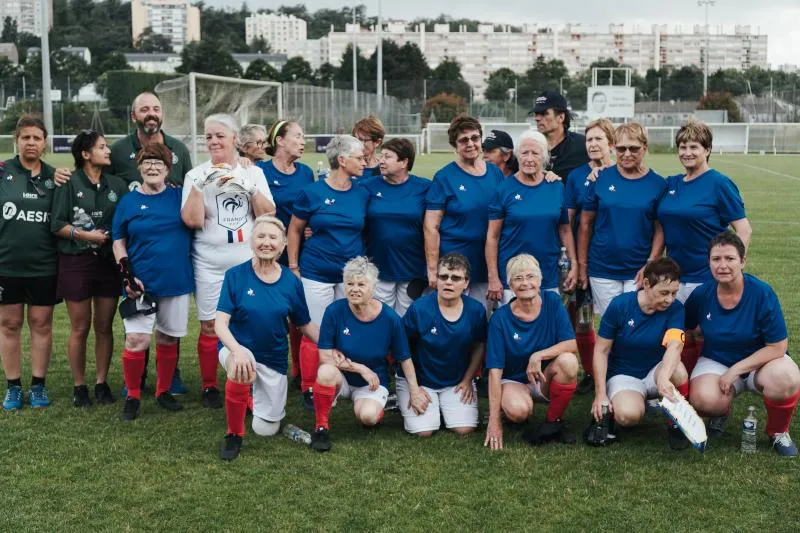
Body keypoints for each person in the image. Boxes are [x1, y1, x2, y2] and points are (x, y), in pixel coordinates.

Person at [181, 114, 275, 408]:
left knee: (246, 322)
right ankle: (210, 386)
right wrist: (200, 184)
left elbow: (267, 213)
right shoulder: (195, 174)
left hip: (246, 261)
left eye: (220, 135)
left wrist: (244, 183)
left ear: (235, 139)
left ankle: (248, 381)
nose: (213, 141)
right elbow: (193, 220)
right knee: (210, 325)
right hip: (209, 262)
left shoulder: (253, 172)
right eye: (208, 136)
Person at [686, 232, 800, 457]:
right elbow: (685, 331)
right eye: (716, 259)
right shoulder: (701, 294)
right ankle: (721, 409)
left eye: (730, 258)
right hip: (717, 359)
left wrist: (736, 370)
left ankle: (778, 432)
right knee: (702, 400)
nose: (723, 265)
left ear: (742, 261)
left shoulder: (761, 293)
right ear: (708, 262)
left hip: (761, 362)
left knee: (787, 378)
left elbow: (777, 346)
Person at [215, 215, 320, 461]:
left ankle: (251, 400)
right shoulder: (235, 276)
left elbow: (303, 324)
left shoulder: (291, 282)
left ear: (283, 245)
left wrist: (332, 345)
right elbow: (220, 324)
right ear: (251, 242)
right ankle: (233, 435)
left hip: (273, 357)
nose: (266, 242)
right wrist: (236, 351)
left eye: (273, 238)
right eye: (260, 236)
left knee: (266, 429)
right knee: (241, 366)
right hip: (238, 348)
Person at [657, 120, 751, 375]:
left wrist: (730, 268)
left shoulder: (719, 183)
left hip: (705, 275)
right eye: (683, 146)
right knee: (680, 331)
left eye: (694, 146)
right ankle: (683, 389)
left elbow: (743, 229)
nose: (687, 152)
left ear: (707, 149)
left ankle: (705, 390)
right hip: (676, 275)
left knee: (701, 332)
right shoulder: (672, 183)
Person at [309, 257, 429, 452]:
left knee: (367, 417)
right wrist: (359, 368)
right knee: (325, 372)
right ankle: (321, 427)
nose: (354, 289)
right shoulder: (334, 311)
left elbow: (404, 358)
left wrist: (414, 391)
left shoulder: (390, 318)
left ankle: (376, 410)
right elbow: (324, 356)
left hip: (373, 382)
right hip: (343, 379)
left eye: (361, 284)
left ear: (372, 287)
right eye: (350, 284)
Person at [111, 143, 194, 421]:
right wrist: (126, 273)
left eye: (159, 162)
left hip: (176, 280)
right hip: (140, 284)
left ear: (168, 168)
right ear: (139, 167)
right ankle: (133, 395)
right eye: (147, 162)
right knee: (136, 340)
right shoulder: (129, 201)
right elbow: (118, 241)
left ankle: (162, 391)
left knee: (168, 338)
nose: (153, 167)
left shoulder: (180, 197)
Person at [287, 135, 369, 411]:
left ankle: (339, 380)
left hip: (351, 277)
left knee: (345, 330)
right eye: (359, 157)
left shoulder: (362, 191)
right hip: (316, 271)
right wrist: (294, 266)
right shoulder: (313, 193)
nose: (364, 162)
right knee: (315, 332)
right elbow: (295, 229)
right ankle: (310, 386)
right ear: (342, 160)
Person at [51, 130, 129, 407]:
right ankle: (79, 385)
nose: (108, 151)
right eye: (102, 147)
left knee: (105, 326)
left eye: (107, 147)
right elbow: (57, 225)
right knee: (80, 327)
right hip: (76, 262)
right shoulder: (68, 183)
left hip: (107, 263)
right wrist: (87, 236)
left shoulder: (117, 185)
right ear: (85, 154)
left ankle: (101, 382)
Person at [590, 257, 690, 450]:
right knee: (628, 417)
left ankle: (677, 424)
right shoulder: (620, 306)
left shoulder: (676, 308)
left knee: (677, 369)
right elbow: (601, 351)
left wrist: (663, 378)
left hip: (655, 372)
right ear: (645, 284)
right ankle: (628, 404)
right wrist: (600, 393)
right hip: (624, 374)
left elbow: (675, 345)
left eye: (674, 293)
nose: (669, 299)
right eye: (663, 293)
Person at [484, 254, 579, 450]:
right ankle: (506, 409)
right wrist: (494, 422)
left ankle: (553, 422)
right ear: (509, 284)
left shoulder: (552, 301)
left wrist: (539, 355)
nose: (526, 283)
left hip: (543, 377)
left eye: (531, 277)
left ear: (540, 280)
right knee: (519, 412)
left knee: (568, 362)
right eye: (518, 278)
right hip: (514, 380)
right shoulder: (499, 319)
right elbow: (495, 372)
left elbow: (571, 343)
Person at [577, 123, 666, 317]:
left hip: (640, 269)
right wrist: (583, 267)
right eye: (621, 148)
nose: (626, 154)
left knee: (637, 323)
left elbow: (660, 228)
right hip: (602, 269)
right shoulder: (599, 178)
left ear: (645, 148)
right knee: (611, 325)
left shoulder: (658, 184)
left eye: (633, 148)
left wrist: (651, 263)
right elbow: (585, 225)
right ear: (614, 147)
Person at [0, 116, 58, 410]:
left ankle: (38, 385)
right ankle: (12, 387)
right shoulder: (2, 172)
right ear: (17, 141)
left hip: (43, 265)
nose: (31, 143)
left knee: (41, 323)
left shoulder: (55, 177)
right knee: (9, 324)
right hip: (6, 264)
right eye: (26, 138)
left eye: (37, 138)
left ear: (45, 142)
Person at [486, 130, 577, 306]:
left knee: (548, 328)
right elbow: (492, 237)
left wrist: (574, 263)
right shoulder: (503, 189)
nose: (529, 158)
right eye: (524, 152)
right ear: (517, 156)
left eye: (535, 153)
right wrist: (494, 277)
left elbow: (565, 230)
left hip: (548, 274)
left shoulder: (556, 186)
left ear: (544, 157)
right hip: (512, 277)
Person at [400, 253, 486, 436]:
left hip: (454, 381)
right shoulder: (419, 309)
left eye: (456, 278)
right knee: (424, 431)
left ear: (466, 283)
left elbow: (480, 344)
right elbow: (401, 347)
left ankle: (441, 406)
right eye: (443, 276)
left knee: (465, 429)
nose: (448, 282)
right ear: (436, 279)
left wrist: (467, 379)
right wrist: (414, 389)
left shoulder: (476, 310)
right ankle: (407, 399)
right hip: (420, 380)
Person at [425, 115, 504, 311]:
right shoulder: (444, 177)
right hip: (454, 265)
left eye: (475, 138)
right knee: (454, 318)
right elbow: (431, 227)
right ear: (455, 145)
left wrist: (548, 175)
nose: (470, 144)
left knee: (483, 321)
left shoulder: (495, 173)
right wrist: (433, 269)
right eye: (464, 140)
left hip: (487, 263)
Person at [257, 120, 315, 387]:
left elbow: (309, 210)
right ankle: (266, 366)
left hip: (298, 252)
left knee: (298, 312)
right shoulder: (259, 170)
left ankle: (299, 371)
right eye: (298, 136)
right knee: (267, 311)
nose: (303, 141)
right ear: (280, 140)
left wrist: (311, 227)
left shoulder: (305, 173)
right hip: (267, 250)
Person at [565, 118, 615, 395]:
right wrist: (575, 262)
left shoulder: (623, 172)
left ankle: (618, 370)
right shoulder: (575, 177)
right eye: (589, 140)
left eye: (599, 139)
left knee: (616, 319)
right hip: (586, 258)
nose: (593, 144)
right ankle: (589, 371)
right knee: (583, 318)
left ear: (611, 143)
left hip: (616, 260)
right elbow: (568, 221)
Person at [360, 137, 429, 316]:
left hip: (413, 269)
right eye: (381, 155)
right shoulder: (368, 186)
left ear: (404, 162)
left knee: (408, 325)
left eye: (388, 156)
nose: (381, 160)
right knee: (382, 322)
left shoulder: (424, 187)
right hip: (378, 269)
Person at [107, 92, 193, 189]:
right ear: (133, 116)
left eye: (156, 109)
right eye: (144, 110)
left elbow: (191, 192)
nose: (152, 114)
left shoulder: (179, 149)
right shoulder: (117, 150)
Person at [530, 90, 589, 181]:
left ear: (561, 117)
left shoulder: (583, 145)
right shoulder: (530, 147)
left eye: (544, 113)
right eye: (536, 113)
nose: (537, 118)